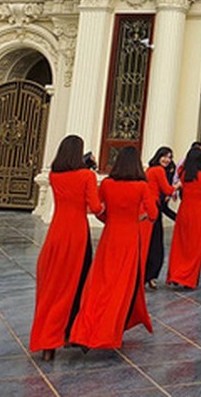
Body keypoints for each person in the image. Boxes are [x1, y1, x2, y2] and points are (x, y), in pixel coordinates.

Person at [68, 146, 157, 350]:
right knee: (120, 288)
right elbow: (152, 213)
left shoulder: (107, 183)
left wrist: (110, 219)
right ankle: (107, 331)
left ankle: (84, 329)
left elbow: (97, 209)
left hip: (110, 236)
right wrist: (137, 218)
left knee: (99, 284)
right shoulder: (141, 186)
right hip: (129, 239)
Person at [29, 135, 102, 361]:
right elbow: (95, 206)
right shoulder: (86, 176)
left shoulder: (54, 175)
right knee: (77, 285)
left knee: (53, 287)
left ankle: (48, 343)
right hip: (77, 235)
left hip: (55, 234)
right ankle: (72, 332)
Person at [167, 148, 201, 288]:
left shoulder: (184, 174)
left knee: (180, 243)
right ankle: (189, 278)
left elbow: (179, 169)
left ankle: (176, 274)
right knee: (195, 245)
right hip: (198, 210)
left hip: (184, 209)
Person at [144, 146, 176, 290]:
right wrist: (178, 185)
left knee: (149, 242)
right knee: (156, 244)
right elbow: (167, 189)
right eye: (165, 156)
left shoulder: (149, 170)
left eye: (169, 157)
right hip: (154, 208)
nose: (167, 160)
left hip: (147, 208)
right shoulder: (158, 171)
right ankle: (150, 275)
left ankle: (147, 276)